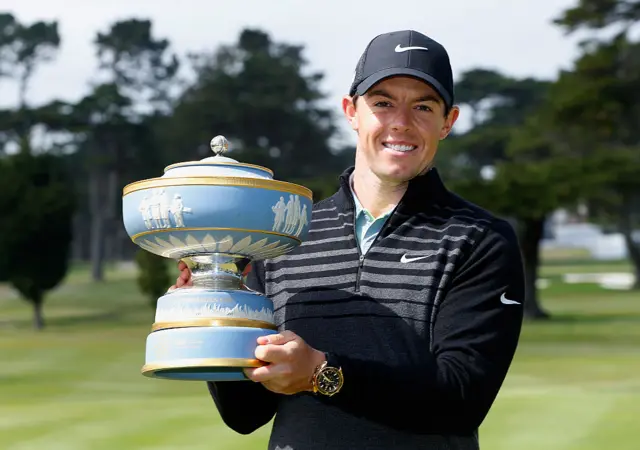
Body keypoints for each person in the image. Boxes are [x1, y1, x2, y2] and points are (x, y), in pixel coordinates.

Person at [171, 29, 525, 450]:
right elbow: (245, 413)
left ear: (448, 122)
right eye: (382, 103)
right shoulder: (285, 236)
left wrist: (323, 372)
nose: (401, 122)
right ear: (351, 111)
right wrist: (216, 313)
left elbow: (462, 397)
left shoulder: (479, 239)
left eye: (423, 106)